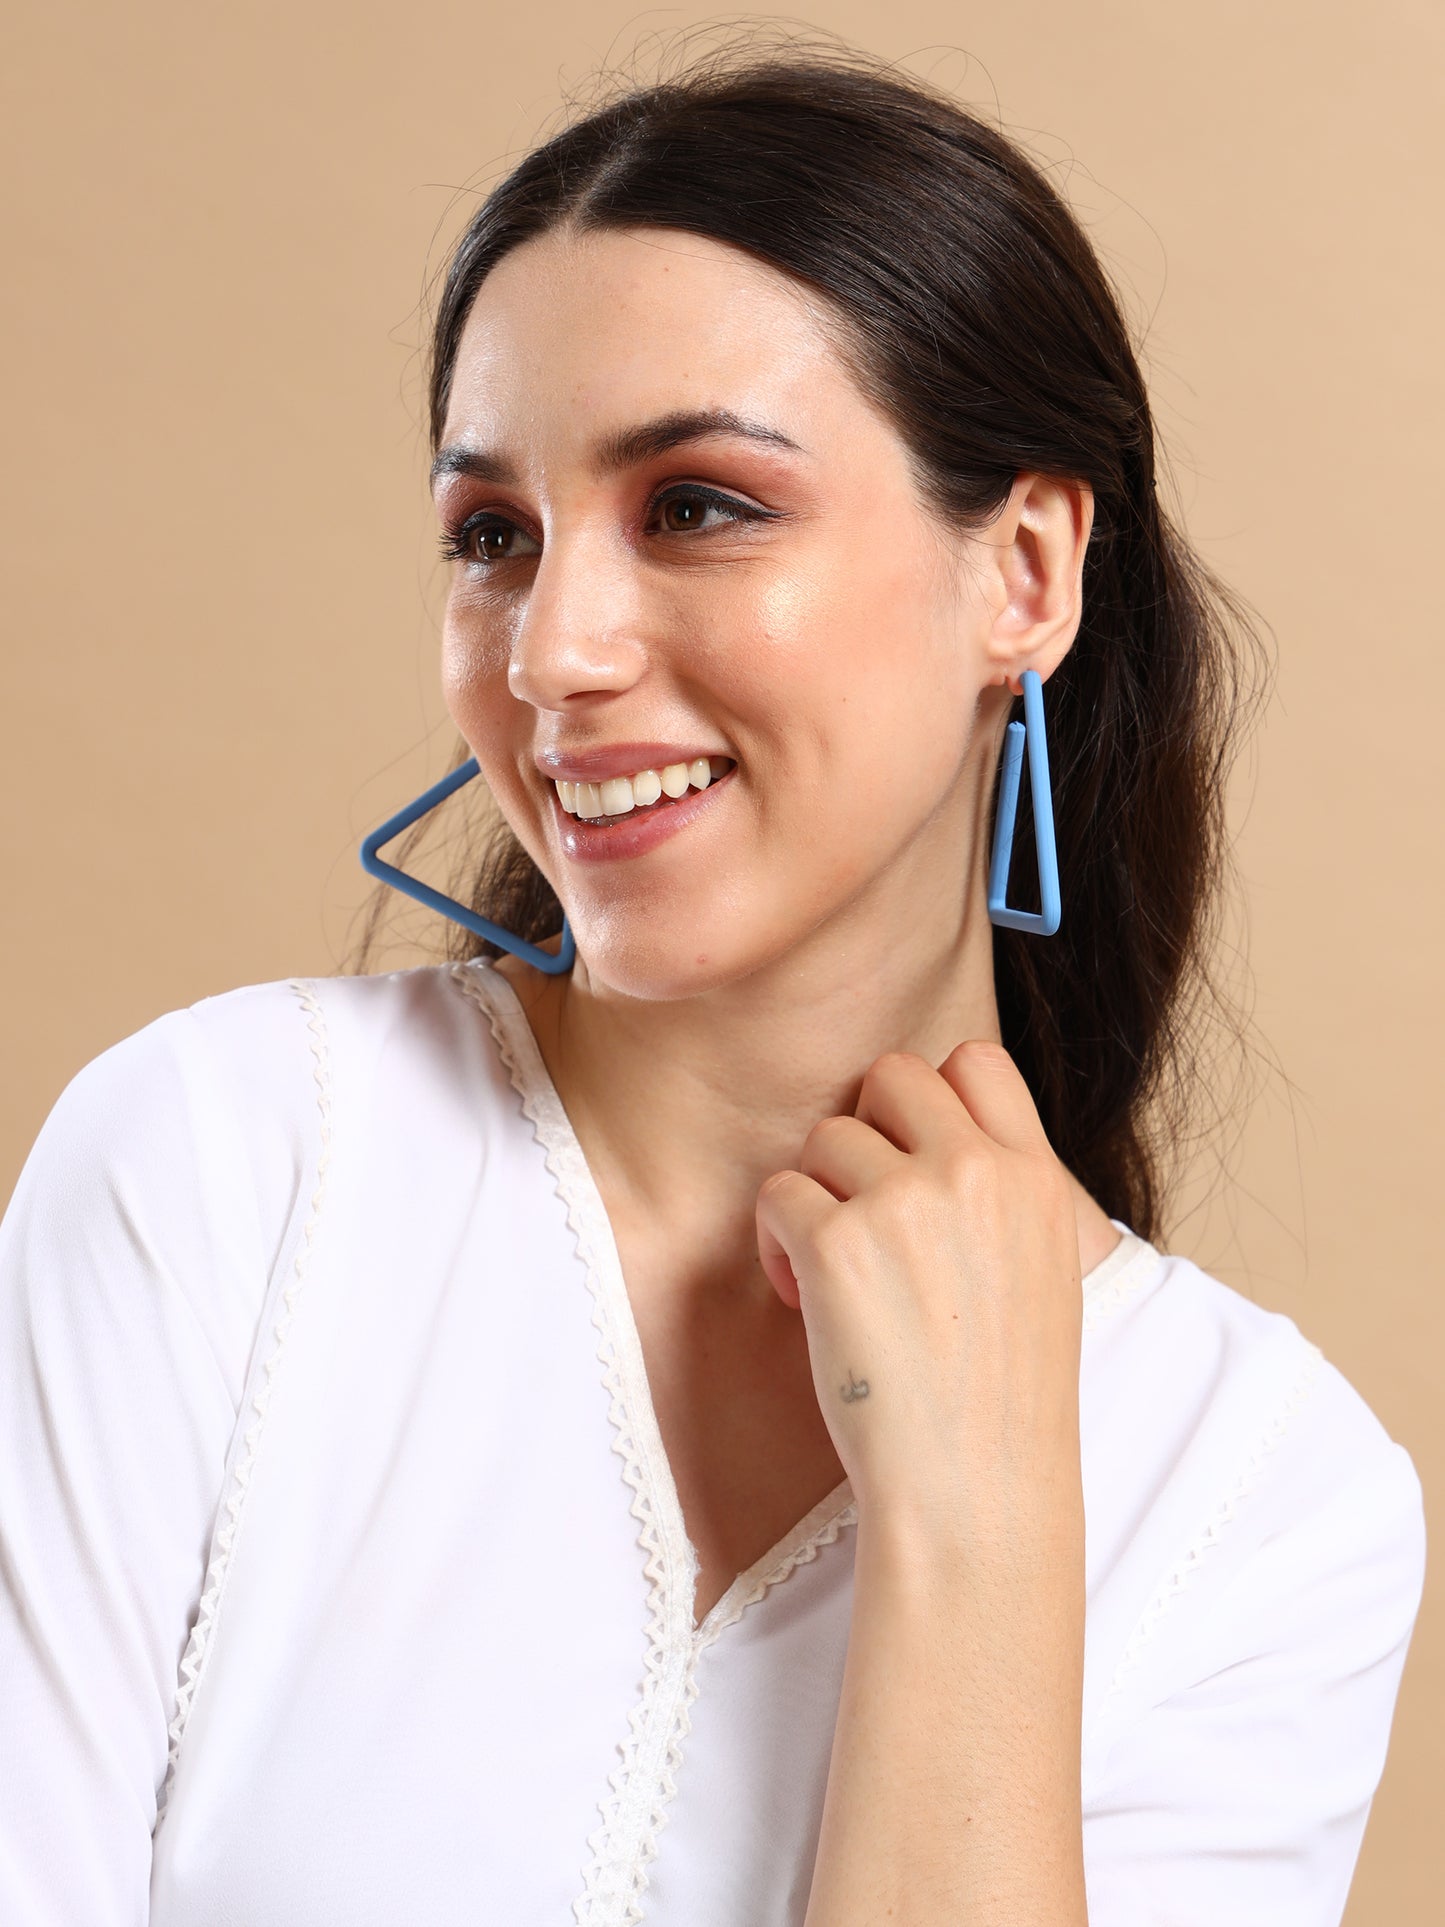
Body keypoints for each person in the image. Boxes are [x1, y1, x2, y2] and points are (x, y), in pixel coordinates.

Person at [0, 33, 1426, 1927]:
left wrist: (982, 1534)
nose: (552, 652)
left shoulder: (1263, 1497)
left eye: (695, 506)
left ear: (1022, 573)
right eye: (493, 537)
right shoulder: (227, 1176)